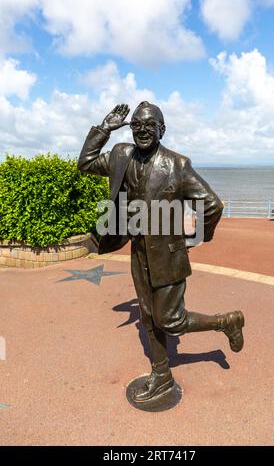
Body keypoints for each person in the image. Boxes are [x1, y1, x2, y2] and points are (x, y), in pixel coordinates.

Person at [78, 102, 245, 403]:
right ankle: (162, 375)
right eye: (136, 126)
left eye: (149, 125)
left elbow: (213, 204)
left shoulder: (178, 165)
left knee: (171, 320)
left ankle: (226, 322)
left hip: (167, 255)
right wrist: (105, 128)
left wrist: (192, 240)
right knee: (147, 316)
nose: (142, 131)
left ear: (161, 130)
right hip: (138, 251)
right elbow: (86, 163)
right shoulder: (120, 155)